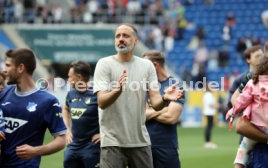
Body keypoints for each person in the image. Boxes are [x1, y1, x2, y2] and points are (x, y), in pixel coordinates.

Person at [93, 23, 183, 168]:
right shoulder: (104, 64)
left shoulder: (146, 66)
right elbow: (101, 102)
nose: (121, 39)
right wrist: (117, 90)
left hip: (140, 140)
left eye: (126, 36)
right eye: (118, 36)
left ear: (135, 41)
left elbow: (155, 103)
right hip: (112, 141)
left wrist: (165, 98)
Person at [0, 48, 66, 167]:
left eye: (7, 65)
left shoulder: (48, 101)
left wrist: (35, 151)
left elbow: (61, 140)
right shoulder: (0, 94)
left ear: (21, 68)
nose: (4, 70)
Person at [143, 50, 184, 168]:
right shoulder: (142, 86)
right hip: (142, 146)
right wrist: (164, 109)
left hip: (166, 147)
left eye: (145, 66)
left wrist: (148, 111)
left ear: (154, 65)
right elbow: (138, 115)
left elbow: (171, 117)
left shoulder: (176, 85)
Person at [226, 53, 268, 168]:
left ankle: (238, 164)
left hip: (258, 127)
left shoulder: (252, 83)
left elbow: (240, 101)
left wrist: (232, 111)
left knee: (244, 145)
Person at [62, 61, 100, 168]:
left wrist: (104, 134)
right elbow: (65, 109)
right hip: (73, 146)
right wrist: (67, 129)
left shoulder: (97, 94)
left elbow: (113, 115)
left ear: (79, 78)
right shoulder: (71, 93)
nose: (68, 80)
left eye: (70, 77)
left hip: (91, 146)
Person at [202, 83, 218, 149]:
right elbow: (210, 104)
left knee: (209, 127)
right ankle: (208, 142)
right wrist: (217, 106)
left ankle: (208, 142)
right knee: (209, 127)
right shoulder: (208, 95)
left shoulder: (207, 94)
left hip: (208, 112)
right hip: (209, 112)